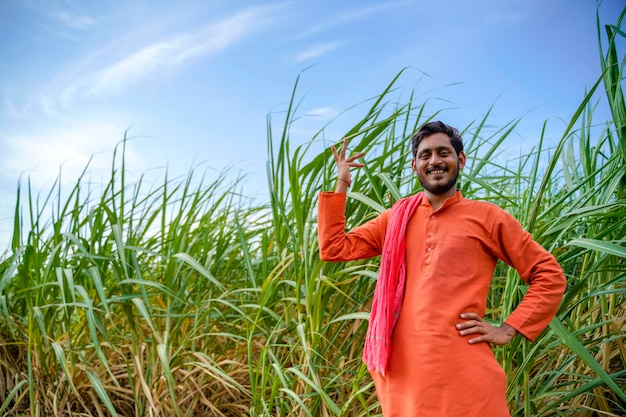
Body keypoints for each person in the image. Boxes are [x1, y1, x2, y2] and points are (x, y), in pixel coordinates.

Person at [317, 121, 566, 417]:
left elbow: (549, 275)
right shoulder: (395, 219)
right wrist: (342, 183)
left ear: (460, 160)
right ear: (414, 166)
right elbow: (334, 248)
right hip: (404, 375)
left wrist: (509, 328)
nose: (434, 161)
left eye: (443, 152)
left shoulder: (487, 217)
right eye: (425, 155)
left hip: (467, 375)